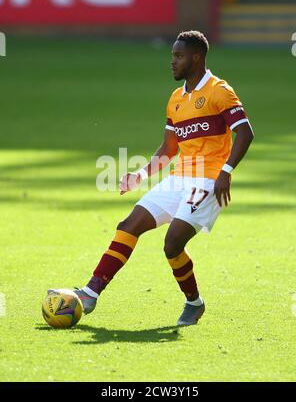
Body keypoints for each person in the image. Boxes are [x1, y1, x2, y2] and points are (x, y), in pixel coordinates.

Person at [49, 30, 254, 326]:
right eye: (172, 55)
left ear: (196, 57)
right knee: (129, 225)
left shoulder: (219, 91)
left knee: (172, 244)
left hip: (208, 181)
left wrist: (226, 171)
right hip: (180, 177)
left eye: (179, 56)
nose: (172, 61)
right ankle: (91, 293)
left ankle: (193, 303)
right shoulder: (176, 99)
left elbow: (245, 133)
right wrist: (141, 174)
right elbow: (169, 148)